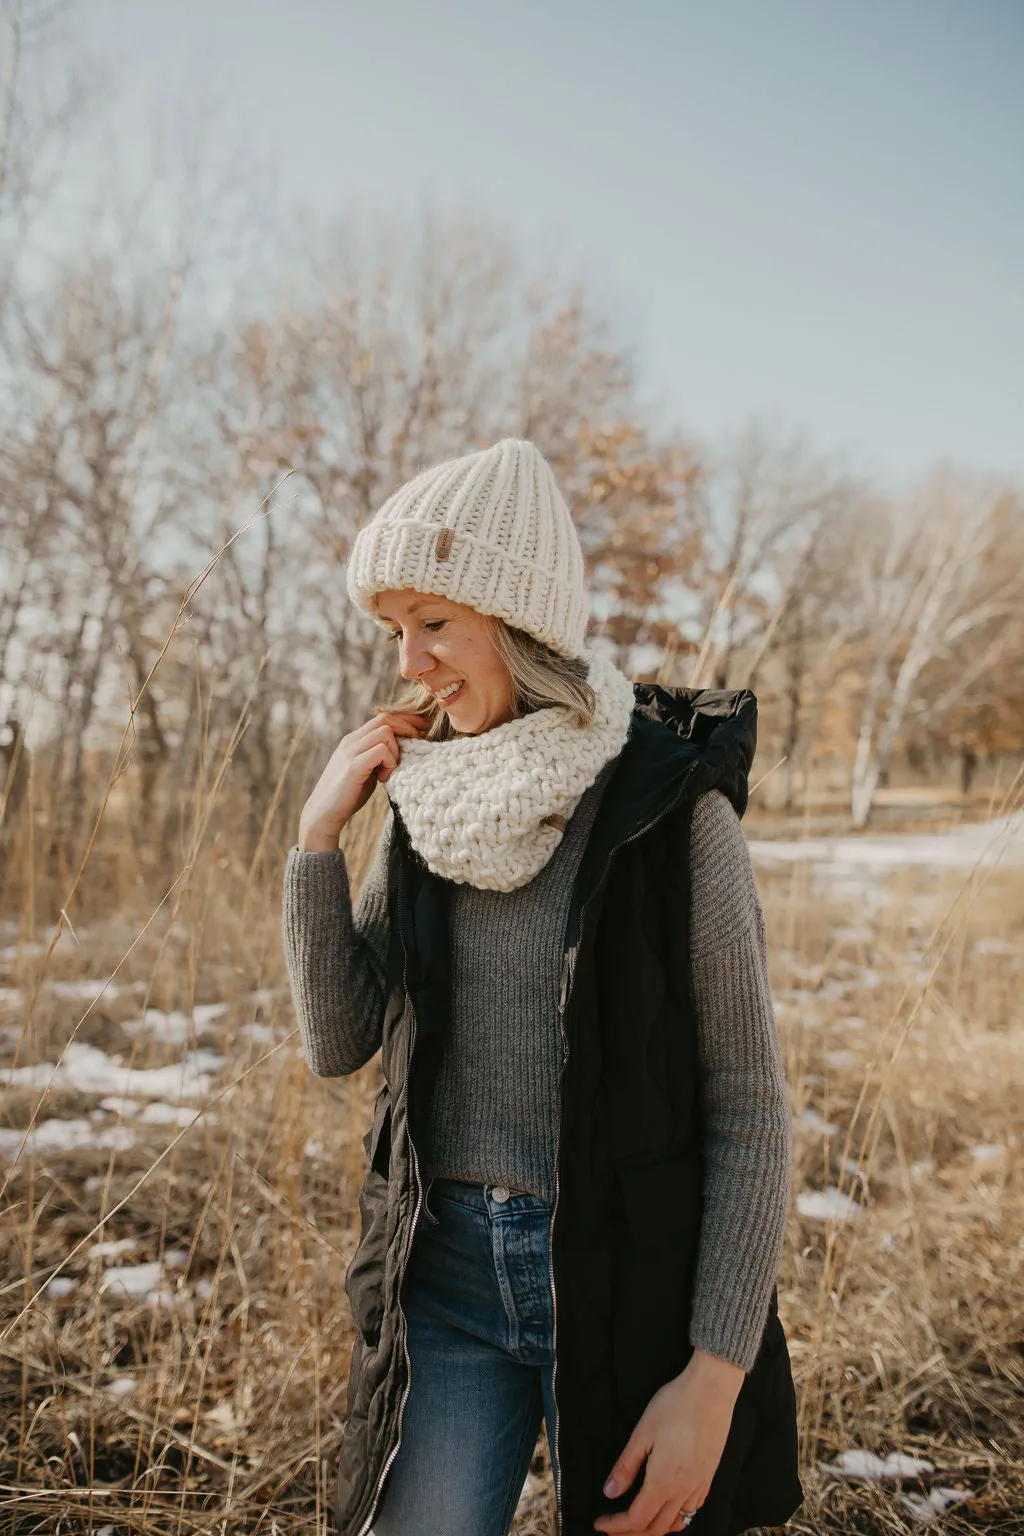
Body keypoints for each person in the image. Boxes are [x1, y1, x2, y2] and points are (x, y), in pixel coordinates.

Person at [281, 438, 803, 1536]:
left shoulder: (672, 812)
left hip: (629, 1284)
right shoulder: (430, 805)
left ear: (513, 617)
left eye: (433, 622)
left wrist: (713, 1384)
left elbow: (750, 1112)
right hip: (448, 1281)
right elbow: (339, 1039)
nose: (409, 660)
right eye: (394, 631)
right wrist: (316, 840)